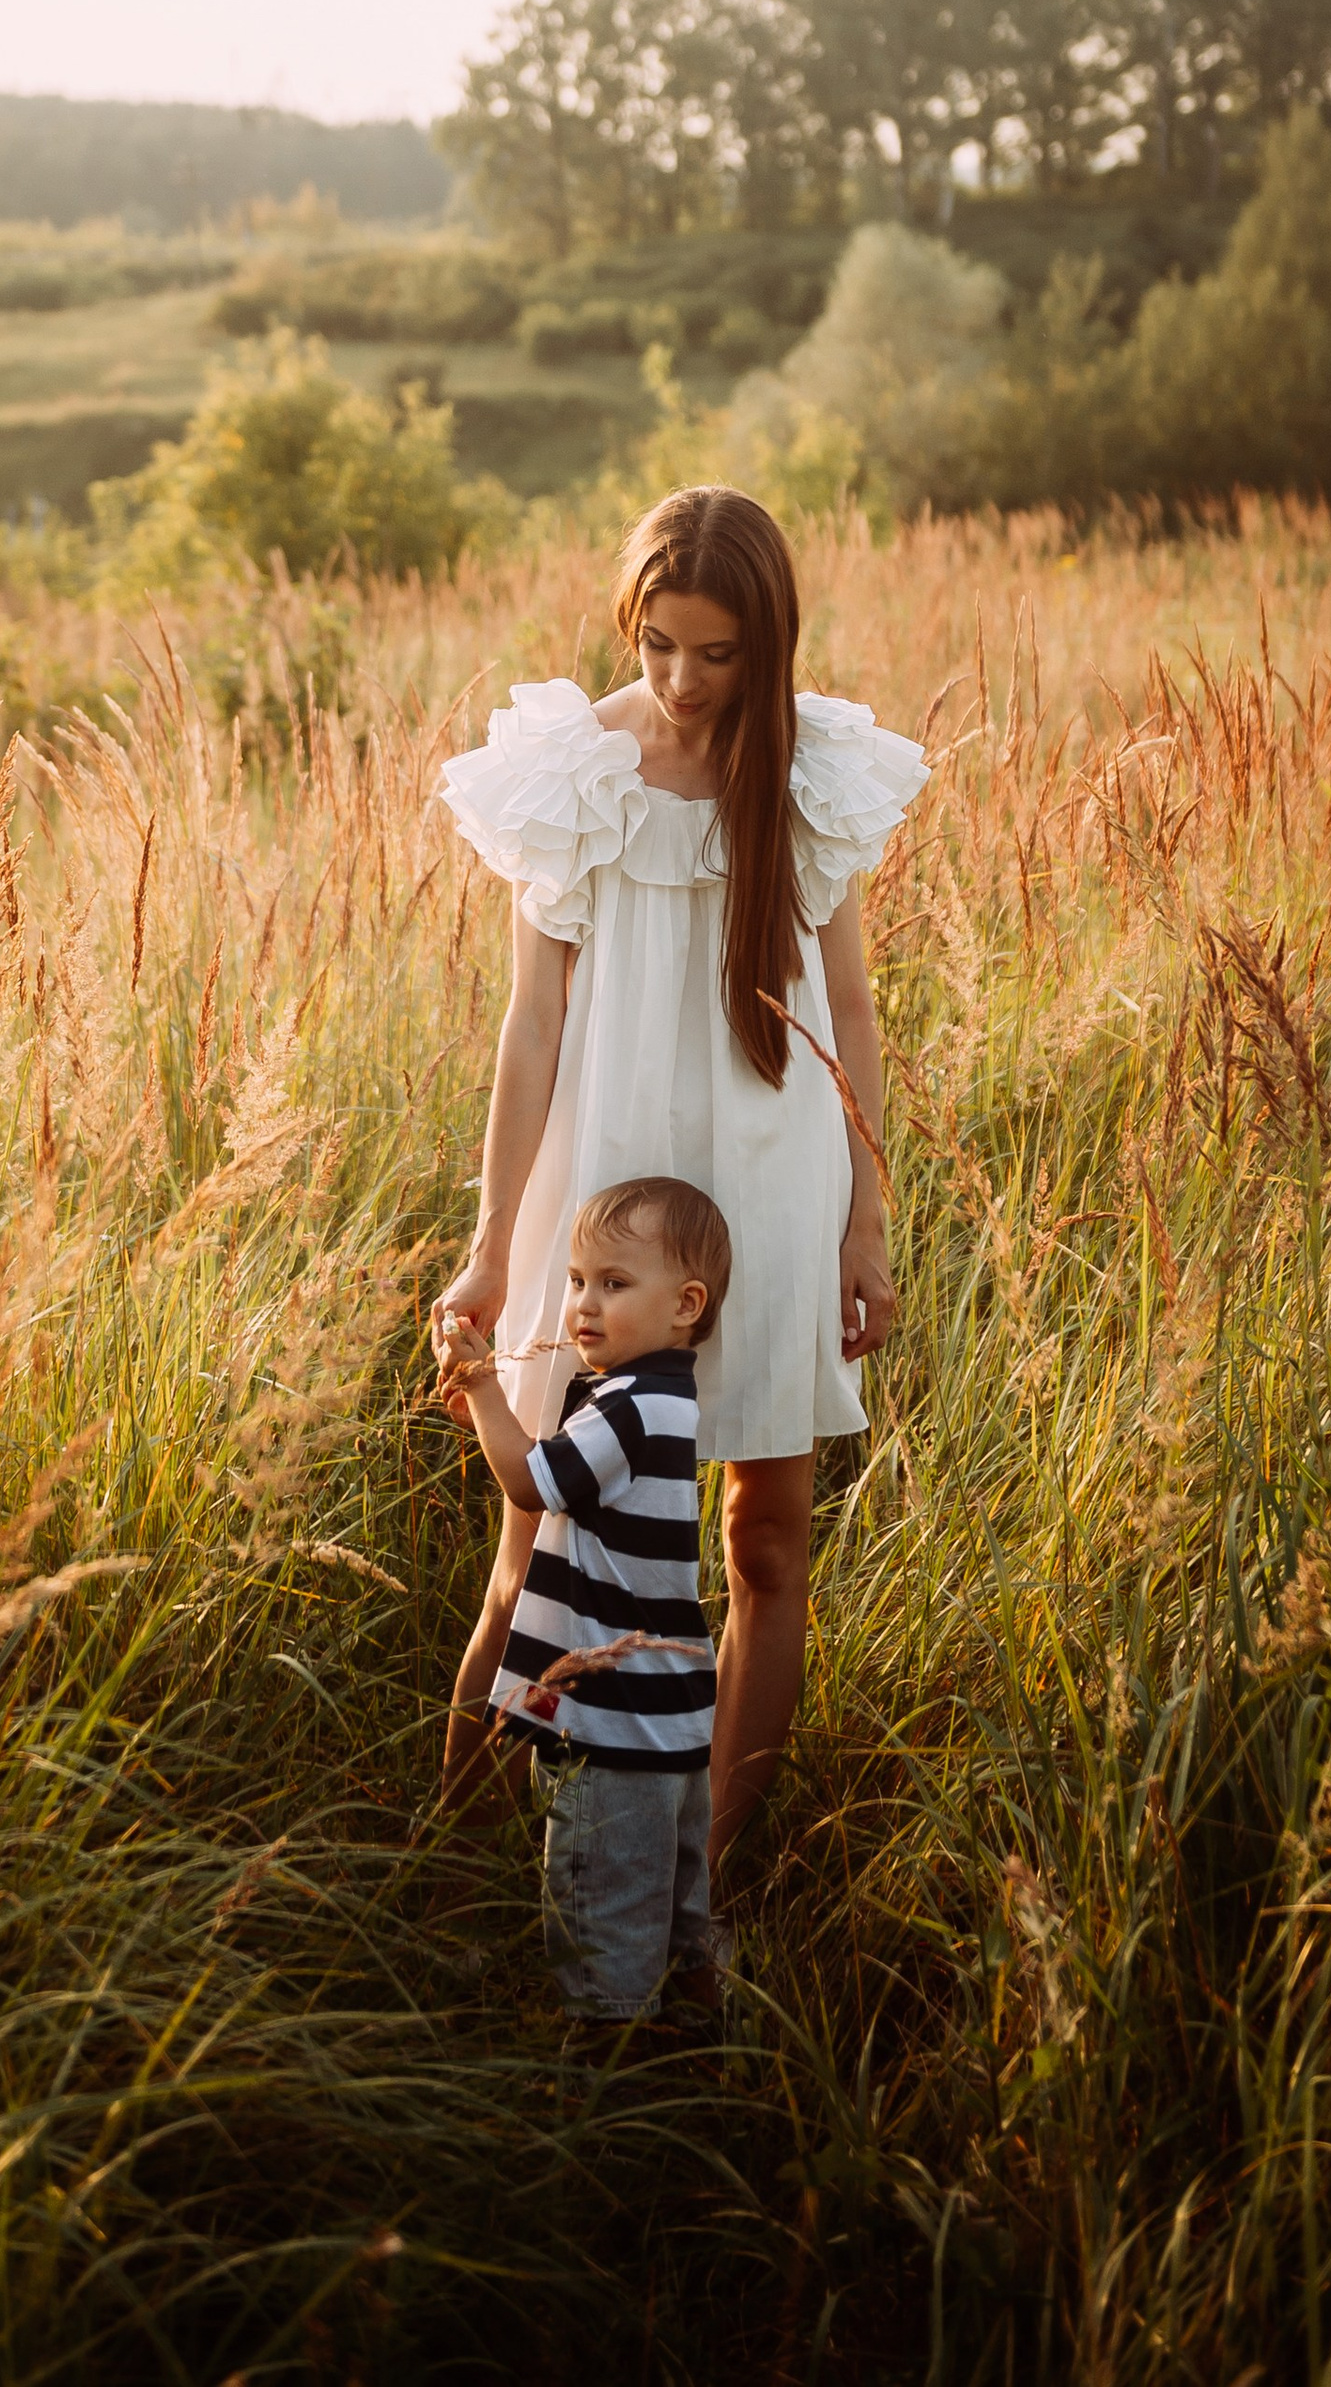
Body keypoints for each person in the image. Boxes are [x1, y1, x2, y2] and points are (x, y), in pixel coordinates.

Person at [429, 484, 928, 1885]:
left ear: (767, 641)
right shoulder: (573, 768)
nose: (683, 679)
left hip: (771, 1179)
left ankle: (700, 1872)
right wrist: (492, 1242)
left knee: (767, 1540)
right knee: (539, 1530)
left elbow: (851, 1011)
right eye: (658, 644)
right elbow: (532, 1025)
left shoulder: (810, 770)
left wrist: (865, 1222)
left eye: (716, 652)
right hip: (603, 1182)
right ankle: (458, 1861)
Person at [436, 1175, 729, 2026]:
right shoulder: (660, 1399)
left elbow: (532, 1484)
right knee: (675, 1914)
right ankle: (697, 2046)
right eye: (575, 1279)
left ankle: (604, 2074)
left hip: (615, 1732)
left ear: (686, 1304)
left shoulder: (630, 1409)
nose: (584, 1303)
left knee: (604, 1926)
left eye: (614, 1282)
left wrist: (485, 1387)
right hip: (671, 1725)